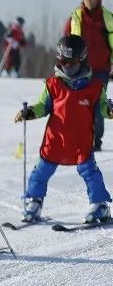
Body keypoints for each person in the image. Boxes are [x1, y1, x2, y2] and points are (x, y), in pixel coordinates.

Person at [14, 34, 113, 225]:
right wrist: (29, 113)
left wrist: (110, 110)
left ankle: (100, 204)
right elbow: (42, 106)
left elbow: (103, 108)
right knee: (40, 173)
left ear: (82, 60)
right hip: (55, 141)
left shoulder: (94, 87)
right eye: (63, 61)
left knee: (90, 172)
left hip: (81, 142)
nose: (67, 66)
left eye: (72, 62)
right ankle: (34, 202)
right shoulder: (53, 85)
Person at [64, 0, 113, 150]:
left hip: (101, 69)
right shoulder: (75, 17)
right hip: (79, 70)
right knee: (78, 105)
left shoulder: (107, 18)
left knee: (98, 105)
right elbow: (65, 43)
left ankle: (95, 141)